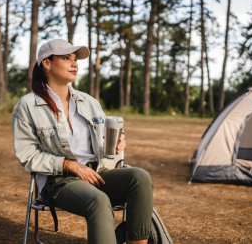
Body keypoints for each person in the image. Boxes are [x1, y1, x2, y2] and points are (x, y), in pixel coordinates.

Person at [12, 39, 153, 244]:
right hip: (59, 181)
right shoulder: (27, 106)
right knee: (98, 201)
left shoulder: (89, 102)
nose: (75, 63)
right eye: (66, 58)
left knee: (139, 177)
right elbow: (28, 156)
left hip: (97, 172)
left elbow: (104, 144)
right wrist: (70, 165)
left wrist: (116, 144)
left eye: (75, 59)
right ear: (47, 63)